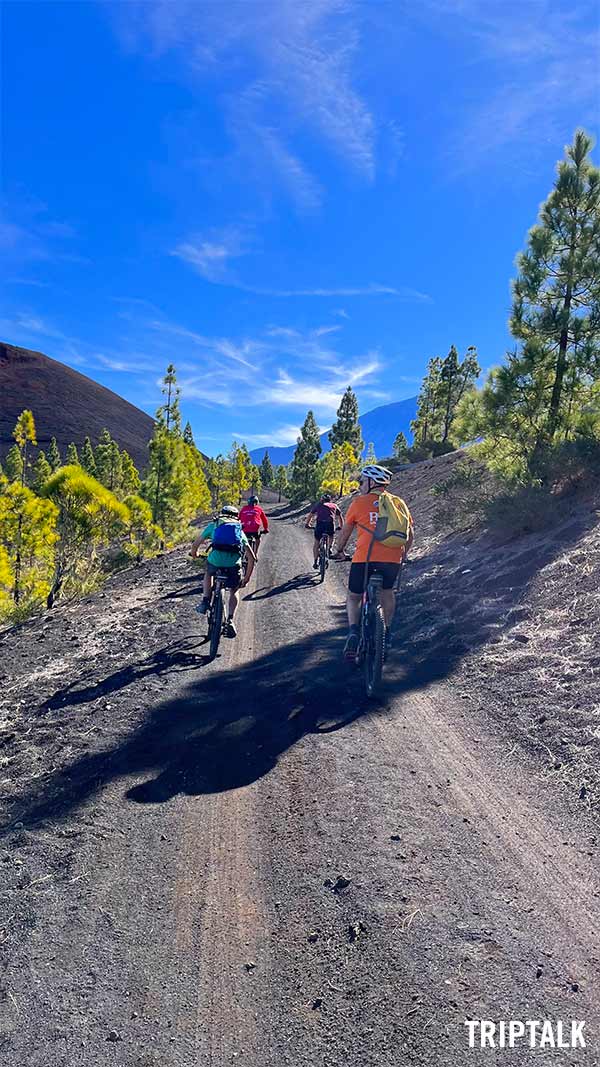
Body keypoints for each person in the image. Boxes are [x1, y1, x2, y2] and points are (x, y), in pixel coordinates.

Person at [334, 465, 413, 658]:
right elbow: (410, 534)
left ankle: (353, 633)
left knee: (353, 597)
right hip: (392, 560)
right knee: (387, 591)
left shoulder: (359, 503)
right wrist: (403, 555)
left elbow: (345, 532)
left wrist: (340, 550)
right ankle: (385, 631)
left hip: (364, 559)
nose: (360, 485)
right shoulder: (398, 503)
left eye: (362, 481)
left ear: (371, 482)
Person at [190, 504, 256, 638]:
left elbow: (196, 544)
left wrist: (194, 554)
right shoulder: (238, 529)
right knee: (234, 590)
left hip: (215, 562)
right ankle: (230, 619)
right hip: (233, 565)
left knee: (208, 573)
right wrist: (247, 577)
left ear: (222, 514)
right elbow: (252, 558)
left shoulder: (214, 525)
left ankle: (205, 601)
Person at [305, 492, 343, 568]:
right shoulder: (334, 505)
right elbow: (340, 517)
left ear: (322, 500)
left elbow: (310, 515)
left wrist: (307, 524)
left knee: (317, 542)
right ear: (330, 500)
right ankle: (329, 548)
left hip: (320, 525)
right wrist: (341, 526)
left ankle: (315, 562)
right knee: (331, 536)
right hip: (330, 525)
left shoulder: (318, 505)